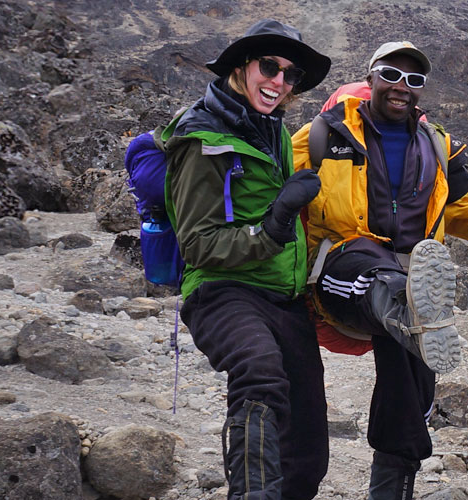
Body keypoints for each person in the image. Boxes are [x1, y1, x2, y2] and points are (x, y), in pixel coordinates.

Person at [291, 41, 468, 500]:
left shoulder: (437, 146)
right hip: (344, 271)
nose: (402, 87)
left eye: (414, 80)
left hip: (417, 278)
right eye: (391, 75)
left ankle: (391, 490)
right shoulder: (326, 134)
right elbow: (267, 181)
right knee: (388, 283)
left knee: (409, 391)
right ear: (372, 78)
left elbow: (465, 209)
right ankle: (406, 305)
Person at [161, 19, 330, 500]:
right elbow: (199, 244)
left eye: (290, 74)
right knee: (258, 371)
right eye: (269, 66)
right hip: (221, 291)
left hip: (284, 296)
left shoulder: (271, 128)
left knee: (308, 444)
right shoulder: (201, 138)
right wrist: (276, 223)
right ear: (242, 67)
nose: (279, 81)